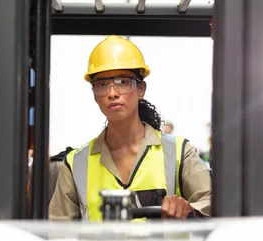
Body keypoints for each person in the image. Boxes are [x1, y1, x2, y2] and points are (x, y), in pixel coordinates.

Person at [48, 35, 211, 221]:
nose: (112, 93)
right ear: (94, 95)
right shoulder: (76, 163)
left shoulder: (180, 152)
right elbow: (58, 232)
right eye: (101, 85)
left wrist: (189, 209)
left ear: (141, 89)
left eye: (123, 82)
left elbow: (213, 205)